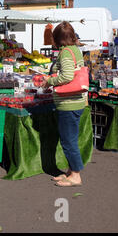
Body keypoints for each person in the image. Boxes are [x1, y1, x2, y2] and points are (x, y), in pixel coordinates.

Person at [41, 21, 87, 187]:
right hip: (75, 101)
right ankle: (70, 171)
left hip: (69, 103)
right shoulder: (75, 50)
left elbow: (67, 76)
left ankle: (76, 175)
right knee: (70, 139)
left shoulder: (66, 53)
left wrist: (50, 81)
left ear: (58, 38)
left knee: (68, 141)